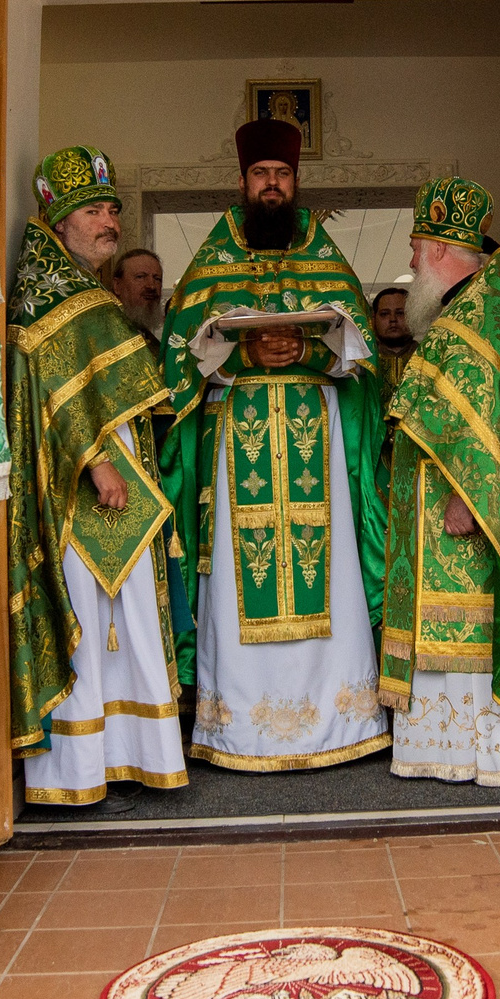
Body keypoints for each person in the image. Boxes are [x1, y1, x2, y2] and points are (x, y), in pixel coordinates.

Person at [159, 119, 387, 771]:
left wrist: (312, 348)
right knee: (239, 573)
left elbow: (362, 354)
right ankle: (237, 727)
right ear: (242, 180)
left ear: (296, 181)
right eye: (261, 174)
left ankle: (339, 720)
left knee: (330, 570)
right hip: (238, 442)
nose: (271, 186)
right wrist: (237, 351)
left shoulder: (324, 253)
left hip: (317, 438)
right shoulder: (214, 257)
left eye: (282, 175)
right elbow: (181, 353)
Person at [5, 147, 189, 806]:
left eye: (112, 208)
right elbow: (55, 384)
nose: (108, 220)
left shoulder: (82, 286)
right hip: (85, 489)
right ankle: (78, 768)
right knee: (91, 615)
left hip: (119, 482)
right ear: (60, 219)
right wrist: (99, 462)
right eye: (93, 210)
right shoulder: (49, 289)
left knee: (130, 613)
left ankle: (128, 754)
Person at [379, 179, 500, 784]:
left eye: (413, 249)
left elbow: (483, 423)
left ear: (436, 250)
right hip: (442, 504)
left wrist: (467, 495)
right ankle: (448, 749)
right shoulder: (477, 305)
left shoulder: (478, 315)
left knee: (464, 622)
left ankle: (479, 754)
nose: (409, 263)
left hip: (460, 509)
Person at [110, 247, 166, 339]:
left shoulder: (146, 336)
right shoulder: (104, 331)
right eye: (140, 277)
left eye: (157, 279)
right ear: (117, 285)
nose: (151, 286)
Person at [370, 286, 415, 395]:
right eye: (385, 314)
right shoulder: (366, 360)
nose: (393, 320)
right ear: (373, 319)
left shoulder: (426, 356)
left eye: (400, 313)